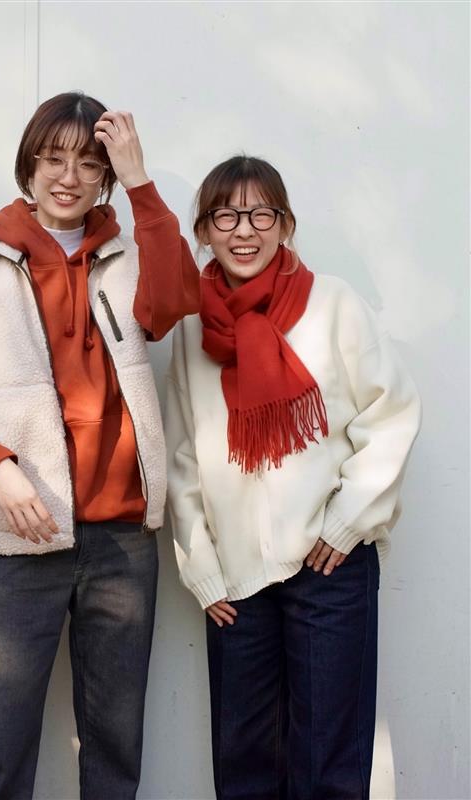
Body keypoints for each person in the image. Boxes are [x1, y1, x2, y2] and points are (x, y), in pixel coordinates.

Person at [0, 91, 200, 799]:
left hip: (123, 540)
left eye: (89, 163)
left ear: (106, 175)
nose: (69, 177)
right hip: (23, 535)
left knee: (114, 751)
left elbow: (175, 303)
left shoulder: (131, 257)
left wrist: (141, 183)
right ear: (28, 165)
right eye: (53, 159)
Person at [166, 155, 421, 800]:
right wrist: (202, 568)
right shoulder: (193, 324)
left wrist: (347, 522)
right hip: (236, 581)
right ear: (204, 230)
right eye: (226, 215)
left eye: (261, 214)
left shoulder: (334, 303)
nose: (243, 230)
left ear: (286, 225)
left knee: (328, 767)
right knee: (245, 766)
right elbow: (184, 453)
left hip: (328, 566)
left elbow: (390, 414)